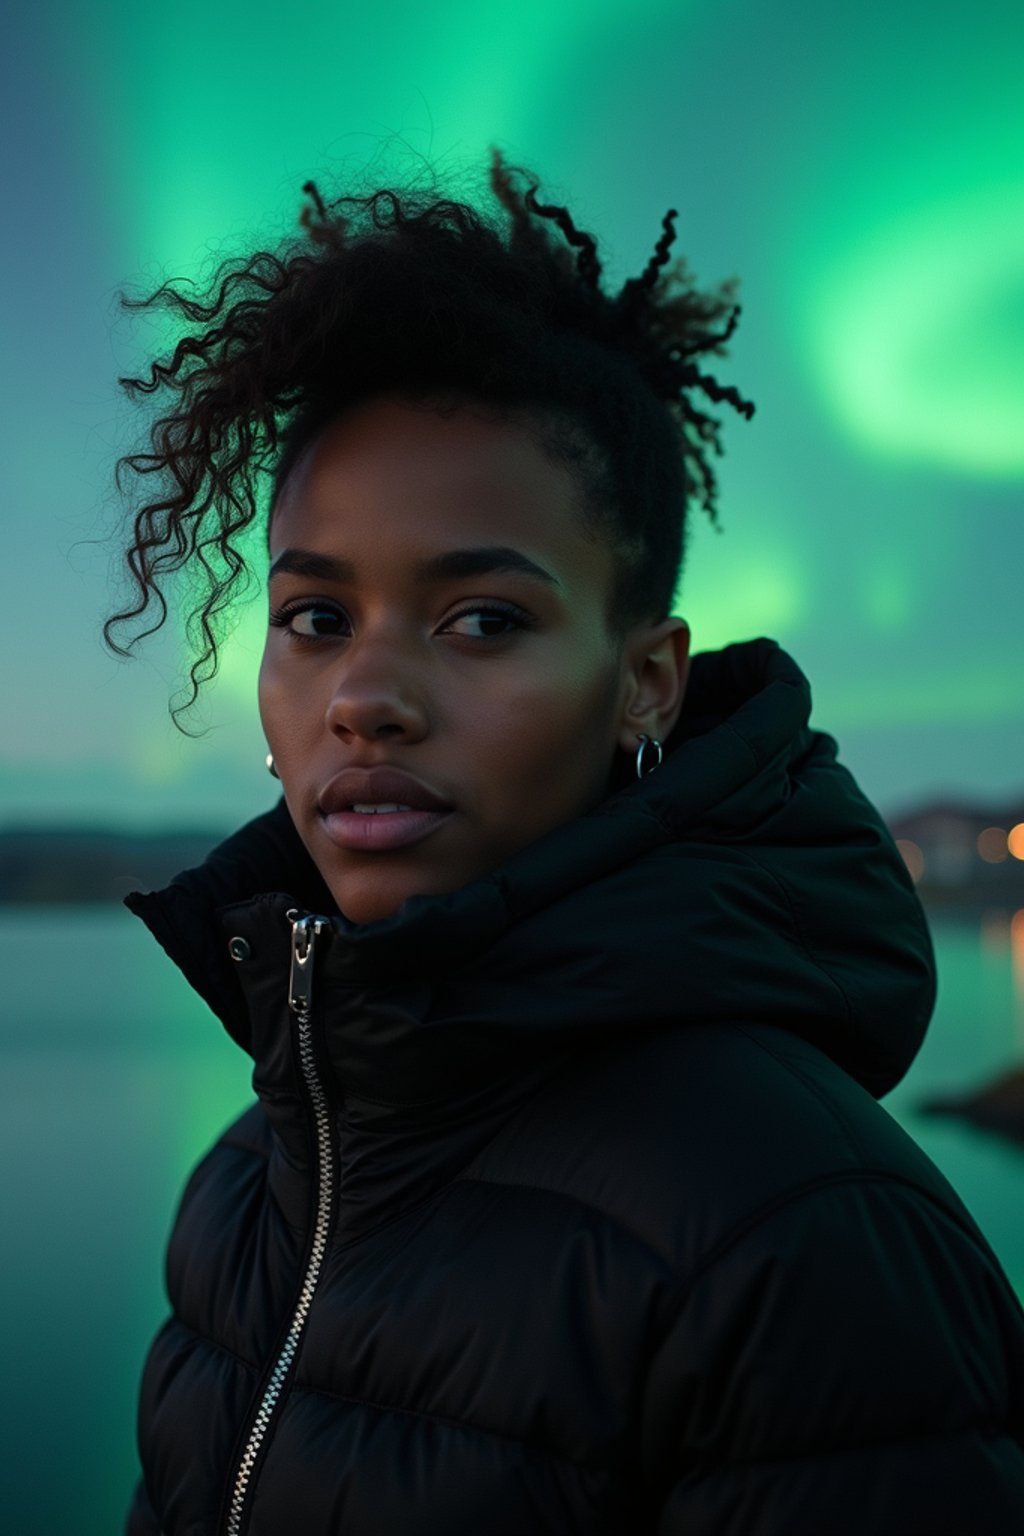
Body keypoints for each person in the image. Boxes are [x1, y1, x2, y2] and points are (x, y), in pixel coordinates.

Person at [107, 149, 1024, 1535]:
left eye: (481, 618)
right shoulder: (246, 1179)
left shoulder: (800, 1232)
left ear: (646, 681)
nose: (365, 696)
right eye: (315, 619)